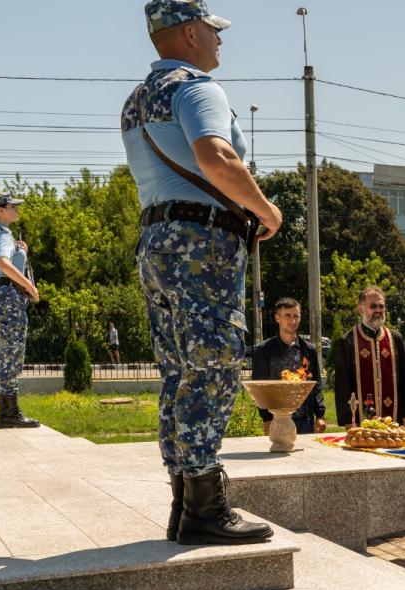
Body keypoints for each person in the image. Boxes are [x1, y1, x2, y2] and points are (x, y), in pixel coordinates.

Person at [123, 0, 283, 545]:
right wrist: (266, 210)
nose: (221, 41)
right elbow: (216, 156)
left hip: (156, 239)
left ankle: (182, 497)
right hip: (200, 244)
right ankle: (204, 505)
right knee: (213, 362)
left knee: (178, 369)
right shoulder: (194, 88)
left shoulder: (137, 99)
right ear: (189, 33)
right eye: (214, 31)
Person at [0, 192, 41, 429]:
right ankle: (9, 414)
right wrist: (29, 286)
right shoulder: (2, 233)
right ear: (0, 211)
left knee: (6, 354)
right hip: (8, 297)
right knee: (11, 355)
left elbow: (7, 259)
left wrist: (20, 250)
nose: (16, 209)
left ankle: (8, 412)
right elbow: (3, 264)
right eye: (12, 206)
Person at [333, 286, 405, 428]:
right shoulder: (348, 341)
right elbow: (342, 384)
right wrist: (348, 420)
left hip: (393, 417)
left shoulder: (395, 339)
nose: (378, 310)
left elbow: (404, 379)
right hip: (360, 420)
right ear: (361, 309)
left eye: (381, 306)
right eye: (373, 306)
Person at [251, 297, 326, 434]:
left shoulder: (308, 350)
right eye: (288, 316)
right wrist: (267, 419)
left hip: (305, 420)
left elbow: (316, 385)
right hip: (276, 420)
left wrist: (320, 416)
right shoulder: (264, 350)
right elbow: (259, 389)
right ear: (277, 318)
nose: (293, 321)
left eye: (296, 316)